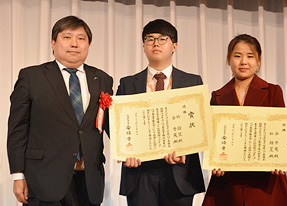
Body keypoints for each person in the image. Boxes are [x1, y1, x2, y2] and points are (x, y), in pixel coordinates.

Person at [7, 15, 113, 206]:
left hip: (89, 180)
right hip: (43, 179)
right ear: (53, 43)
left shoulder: (103, 79)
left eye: (81, 38)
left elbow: (113, 125)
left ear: (88, 45)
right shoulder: (32, 77)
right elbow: (17, 129)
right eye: (67, 37)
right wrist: (18, 175)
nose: (74, 43)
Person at [117, 19, 205, 206]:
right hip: (140, 173)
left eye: (162, 38)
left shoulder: (192, 82)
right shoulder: (127, 84)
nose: (155, 43)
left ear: (174, 46)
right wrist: (125, 151)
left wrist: (186, 151)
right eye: (150, 39)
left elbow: (200, 125)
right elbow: (120, 126)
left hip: (179, 172)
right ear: (143, 47)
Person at [202, 34, 287, 206]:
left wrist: (280, 159)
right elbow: (214, 138)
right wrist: (215, 161)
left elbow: (282, 132)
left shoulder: (273, 91)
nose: (243, 62)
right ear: (228, 60)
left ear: (258, 61)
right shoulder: (218, 96)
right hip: (228, 182)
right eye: (237, 56)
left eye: (250, 56)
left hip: (265, 182)